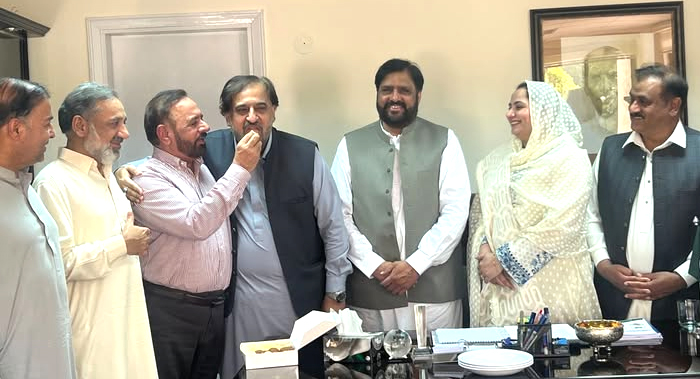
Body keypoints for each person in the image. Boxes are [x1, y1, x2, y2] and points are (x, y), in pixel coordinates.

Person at [119, 75, 352, 378]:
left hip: (298, 297)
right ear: (228, 117)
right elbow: (162, 162)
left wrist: (335, 292)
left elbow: (333, 227)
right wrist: (122, 173)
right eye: (242, 110)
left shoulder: (305, 155)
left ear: (274, 111)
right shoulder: (209, 149)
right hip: (234, 304)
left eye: (261, 108)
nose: (252, 117)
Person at [330, 58, 470, 332]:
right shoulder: (350, 145)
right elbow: (340, 216)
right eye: (387, 90)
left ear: (418, 95)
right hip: (372, 288)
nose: (395, 97)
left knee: (438, 359)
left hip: (434, 291)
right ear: (377, 94)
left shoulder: (445, 140)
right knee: (374, 359)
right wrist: (375, 266)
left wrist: (416, 265)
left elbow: (455, 212)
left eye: (404, 90)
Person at [129, 90, 261, 378]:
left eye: (201, 118)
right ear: (164, 134)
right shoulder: (145, 179)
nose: (206, 126)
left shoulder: (201, 169)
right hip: (171, 311)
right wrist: (240, 168)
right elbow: (196, 223)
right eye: (193, 123)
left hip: (213, 308)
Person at [33, 82, 158, 379]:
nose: (125, 133)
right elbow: (60, 264)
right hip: (92, 341)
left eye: (124, 122)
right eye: (114, 123)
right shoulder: (53, 183)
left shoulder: (109, 175)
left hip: (130, 327)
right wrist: (122, 245)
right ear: (80, 126)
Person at [468, 81, 601, 326]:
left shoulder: (570, 158)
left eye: (518, 107)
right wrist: (485, 248)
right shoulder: (498, 160)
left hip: (556, 283)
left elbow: (564, 225)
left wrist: (503, 261)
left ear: (543, 112)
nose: (510, 114)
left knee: (554, 347)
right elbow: (486, 214)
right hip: (502, 288)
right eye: (509, 107)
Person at [587, 64, 700, 321]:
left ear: (674, 106)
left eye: (644, 102)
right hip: (612, 300)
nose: (633, 108)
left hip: (683, 306)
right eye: (631, 99)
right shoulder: (610, 150)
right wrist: (603, 265)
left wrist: (682, 277)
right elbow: (591, 215)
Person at [0, 78, 77, 379]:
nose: (52, 133)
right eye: (46, 124)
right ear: (16, 129)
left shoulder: (25, 187)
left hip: (51, 358)